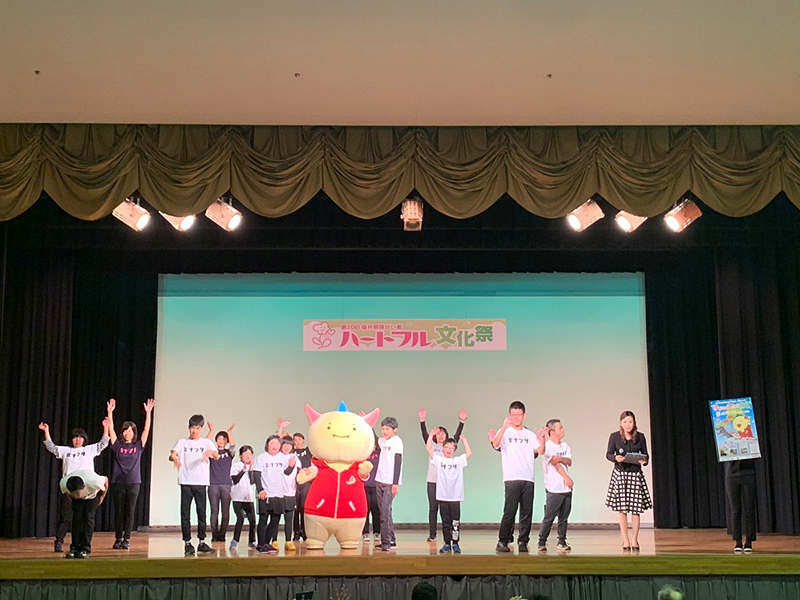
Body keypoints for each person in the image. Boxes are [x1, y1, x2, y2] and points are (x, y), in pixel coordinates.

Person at [39, 416, 110, 553]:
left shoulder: (89, 450)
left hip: (88, 489)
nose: (78, 440)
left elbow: (103, 443)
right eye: (75, 437)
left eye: (80, 437)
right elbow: (51, 447)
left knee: (87, 519)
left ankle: (85, 547)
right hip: (72, 489)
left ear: (84, 439)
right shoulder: (66, 451)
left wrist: (106, 427)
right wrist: (46, 431)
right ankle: (68, 544)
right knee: (71, 518)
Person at [491, 401, 547, 553]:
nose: (516, 417)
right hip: (511, 478)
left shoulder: (529, 434)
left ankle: (523, 541)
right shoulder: (505, 432)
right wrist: (503, 427)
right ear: (509, 415)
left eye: (519, 414)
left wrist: (542, 437)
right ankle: (502, 541)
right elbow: (495, 443)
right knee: (509, 511)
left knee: (526, 513)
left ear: (524, 415)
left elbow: (541, 451)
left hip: (528, 477)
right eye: (513, 414)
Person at [106, 397, 154, 549]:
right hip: (118, 482)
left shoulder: (138, 446)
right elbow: (110, 429)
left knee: (130, 511)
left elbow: (146, 430)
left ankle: (127, 539)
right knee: (119, 511)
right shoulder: (117, 445)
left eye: (130, 430)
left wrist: (148, 413)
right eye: (125, 430)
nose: (127, 433)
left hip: (134, 483)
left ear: (134, 433)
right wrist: (110, 412)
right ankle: (118, 538)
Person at [169, 414, 219, 554]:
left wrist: (210, 453)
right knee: (185, 513)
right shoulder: (182, 442)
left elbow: (216, 455)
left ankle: (202, 542)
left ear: (201, 429)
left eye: (197, 428)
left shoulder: (206, 442)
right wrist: (175, 458)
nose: (194, 431)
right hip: (186, 482)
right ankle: (187, 542)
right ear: (189, 428)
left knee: (201, 513)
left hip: (201, 483)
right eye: (192, 427)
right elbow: (173, 454)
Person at [605, 410, 652, 551]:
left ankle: (635, 539)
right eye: (625, 422)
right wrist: (615, 458)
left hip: (635, 475)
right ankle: (625, 540)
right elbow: (608, 454)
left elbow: (646, 456)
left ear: (634, 423)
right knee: (622, 510)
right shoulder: (614, 437)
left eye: (630, 422)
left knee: (636, 510)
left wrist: (644, 461)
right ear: (621, 423)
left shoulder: (640, 437)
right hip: (620, 474)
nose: (627, 424)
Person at [418, 406, 466, 542]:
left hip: (446, 484)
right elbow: (425, 436)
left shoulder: (448, 447)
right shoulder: (432, 446)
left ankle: (450, 535)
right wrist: (422, 420)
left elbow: (456, 437)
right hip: (432, 482)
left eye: (443, 433)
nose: (440, 435)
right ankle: (432, 534)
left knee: (447, 511)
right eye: (438, 433)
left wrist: (462, 422)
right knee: (433, 509)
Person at [426, 428, 471, 553]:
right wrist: (431, 435)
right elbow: (429, 449)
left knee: (455, 522)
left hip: (455, 497)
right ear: (443, 448)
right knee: (445, 522)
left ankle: (455, 543)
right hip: (443, 496)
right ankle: (447, 543)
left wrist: (465, 441)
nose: (449, 450)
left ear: (454, 450)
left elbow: (469, 453)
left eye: (451, 448)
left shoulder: (458, 461)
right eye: (447, 447)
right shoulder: (439, 460)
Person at [253, 434, 296, 553]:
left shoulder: (283, 458)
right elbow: (256, 474)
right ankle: (261, 544)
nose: (274, 446)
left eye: (277, 444)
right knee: (263, 519)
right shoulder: (261, 458)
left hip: (279, 494)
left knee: (275, 520)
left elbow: (287, 473)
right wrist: (260, 490)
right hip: (266, 494)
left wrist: (291, 466)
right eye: (272, 443)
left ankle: (266, 543)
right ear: (267, 445)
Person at [537, 419, 573, 553]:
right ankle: (541, 541)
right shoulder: (547, 446)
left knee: (564, 517)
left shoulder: (565, 446)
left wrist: (561, 458)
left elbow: (569, 461)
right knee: (549, 517)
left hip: (566, 488)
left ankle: (562, 541)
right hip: (554, 487)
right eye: (560, 428)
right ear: (552, 431)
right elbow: (555, 464)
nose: (562, 430)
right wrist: (567, 478)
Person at [59, 470, 109, 558]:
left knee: (88, 518)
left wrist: (102, 496)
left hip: (93, 496)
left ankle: (85, 548)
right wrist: (74, 497)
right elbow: (68, 494)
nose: (75, 495)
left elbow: (106, 480)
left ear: (83, 487)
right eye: (73, 493)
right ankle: (74, 548)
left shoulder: (94, 482)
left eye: (76, 493)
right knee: (76, 519)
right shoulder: (63, 483)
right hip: (79, 500)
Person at [376, 416, 403, 551]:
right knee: (384, 511)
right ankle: (391, 540)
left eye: (387, 429)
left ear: (394, 429)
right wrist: (367, 424)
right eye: (383, 429)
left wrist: (395, 483)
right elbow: (374, 438)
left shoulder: (397, 442)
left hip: (389, 482)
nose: (385, 431)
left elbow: (398, 462)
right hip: (379, 480)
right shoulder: (382, 441)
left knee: (385, 513)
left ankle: (386, 542)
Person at [206, 422, 236, 543]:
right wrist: (211, 431)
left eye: (224, 439)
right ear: (216, 440)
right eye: (219, 439)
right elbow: (205, 444)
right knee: (214, 511)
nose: (221, 441)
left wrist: (229, 432)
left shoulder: (229, 453)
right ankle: (214, 534)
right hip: (213, 484)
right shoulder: (212, 453)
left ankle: (222, 534)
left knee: (225, 511)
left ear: (226, 441)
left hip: (226, 485)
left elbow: (233, 446)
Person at [725, 457, 757, 553]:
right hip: (732, 475)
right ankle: (738, 541)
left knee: (749, 510)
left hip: (748, 474)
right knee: (735, 510)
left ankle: (749, 541)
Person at [229, 445, 257, 550]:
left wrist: (251, 470)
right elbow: (235, 480)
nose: (248, 456)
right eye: (246, 453)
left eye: (250, 454)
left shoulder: (253, 467)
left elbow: (252, 482)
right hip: (237, 497)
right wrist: (243, 471)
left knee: (252, 520)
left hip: (248, 498)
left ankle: (252, 541)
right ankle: (235, 540)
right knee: (240, 518)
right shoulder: (236, 466)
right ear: (241, 455)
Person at [278, 436, 299, 551]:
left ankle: (288, 541)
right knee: (275, 518)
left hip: (290, 492)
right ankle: (274, 541)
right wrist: (290, 466)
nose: (287, 447)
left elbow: (299, 473)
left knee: (289, 519)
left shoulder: (295, 457)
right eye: (285, 444)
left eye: (289, 445)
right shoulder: (278, 457)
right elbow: (285, 472)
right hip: (278, 492)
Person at [292, 431, 313, 542]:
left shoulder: (308, 451)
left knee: (304, 508)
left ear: (303, 440)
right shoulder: (291, 452)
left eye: (299, 439)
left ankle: (305, 532)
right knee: (295, 509)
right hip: (293, 484)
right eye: (295, 440)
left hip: (306, 482)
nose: (298, 442)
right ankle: (296, 532)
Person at [362, 432, 381, 542]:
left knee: (376, 509)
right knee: (366, 509)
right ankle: (365, 533)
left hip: (376, 484)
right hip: (364, 485)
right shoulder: (362, 453)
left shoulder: (379, 452)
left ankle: (377, 532)